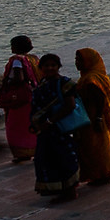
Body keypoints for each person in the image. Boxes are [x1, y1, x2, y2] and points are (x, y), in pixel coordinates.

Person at [30, 53, 82, 203]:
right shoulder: (42, 83)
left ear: (58, 67)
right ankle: (58, 189)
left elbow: (70, 105)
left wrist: (50, 121)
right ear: (41, 68)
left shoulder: (64, 83)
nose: (50, 68)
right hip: (46, 131)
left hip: (59, 129)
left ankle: (70, 191)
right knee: (46, 159)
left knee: (63, 158)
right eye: (46, 65)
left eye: (53, 65)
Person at [72, 48, 110, 188]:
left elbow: (100, 98)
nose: (77, 63)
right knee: (102, 145)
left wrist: (98, 119)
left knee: (95, 148)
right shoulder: (91, 76)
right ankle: (109, 169)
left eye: (80, 60)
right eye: (76, 60)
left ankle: (102, 174)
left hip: (92, 118)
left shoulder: (90, 79)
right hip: (92, 117)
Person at [0, 35, 39, 163]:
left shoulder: (17, 60)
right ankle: (34, 150)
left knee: (15, 126)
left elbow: (19, 78)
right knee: (30, 125)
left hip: (19, 98)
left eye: (12, 45)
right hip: (32, 95)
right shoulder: (33, 59)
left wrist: (8, 82)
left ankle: (21, 153)